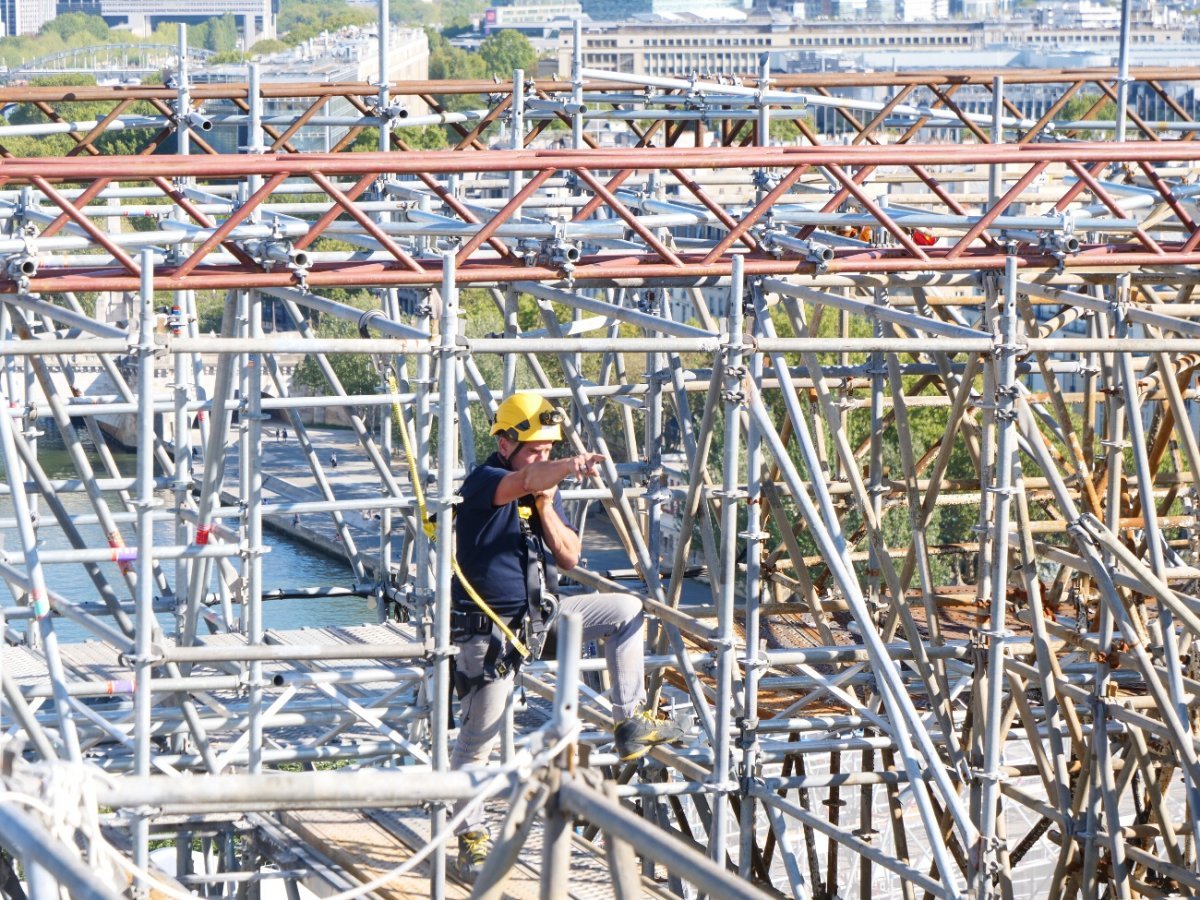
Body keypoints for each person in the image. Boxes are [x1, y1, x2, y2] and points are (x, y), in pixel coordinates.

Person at [449, 391, 684, 882]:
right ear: (505, 442)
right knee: (478, 744)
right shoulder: (486, 481)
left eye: (548, 450)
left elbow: (570, 557)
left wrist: (548, 506)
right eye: (534, 447)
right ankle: (470, 837)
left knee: (626, 608)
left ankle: (630, 721)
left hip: (541, 620)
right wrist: (568, 467)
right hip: (491, 634)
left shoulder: (537, 491)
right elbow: (526, 477)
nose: (542, 458)